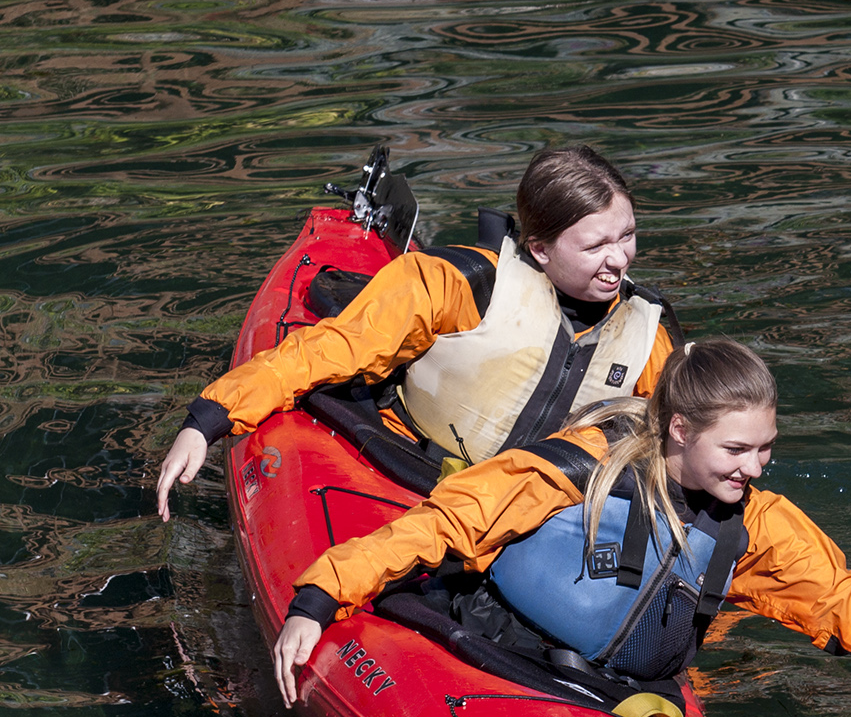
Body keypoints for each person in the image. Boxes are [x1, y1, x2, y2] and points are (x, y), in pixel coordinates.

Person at [269, 337, 851, 717]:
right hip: (488, 658)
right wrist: (317, 596)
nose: (756, 468)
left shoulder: (759, 530)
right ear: (675, 430)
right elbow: (443, 524)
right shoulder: (568, 470)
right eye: (737, 449)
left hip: (617, 704)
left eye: (767, 448)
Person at [157, 144, 680, 519]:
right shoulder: (458, 285)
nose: (619, 260)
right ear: (540, 249)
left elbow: (682, 462)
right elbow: (333, 350)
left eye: (628, 235)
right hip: (411, 474)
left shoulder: (649, 335)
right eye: (596, 246)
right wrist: (207, 419)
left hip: (540, 513)